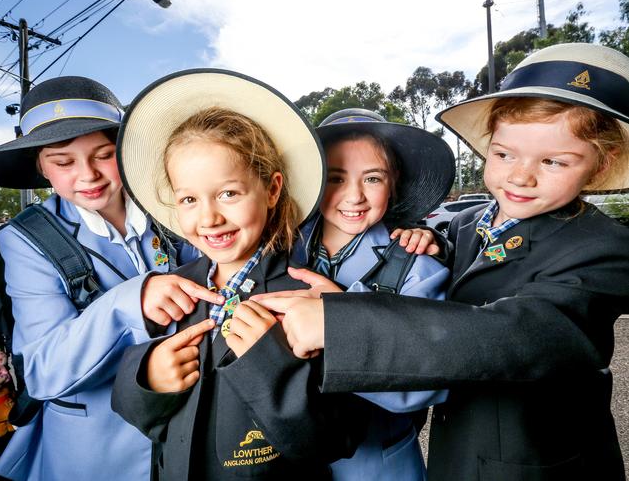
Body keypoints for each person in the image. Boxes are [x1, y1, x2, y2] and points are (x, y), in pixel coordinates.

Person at [254, 43, 629, 481]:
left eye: (553, 161)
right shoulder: (466, 224)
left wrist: (339, 323)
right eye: (505, 154)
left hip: (541, 467)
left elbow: (519, 333)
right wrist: (430, 236)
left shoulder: (606, 248)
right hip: (456, 456)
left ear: (603, 164)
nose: (521, 175)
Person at [111, 69, 366, 481]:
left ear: (271, 189)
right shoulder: (173, 290)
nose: (209, 217)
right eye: (189, 199)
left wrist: (271, 367)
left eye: (228, 193)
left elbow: (339, 438)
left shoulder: (307, 298)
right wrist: (148, 376)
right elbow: (146, 421)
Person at [0, 76, 220, 481]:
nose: (87, 175)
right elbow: (42, 371)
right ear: (41, 166)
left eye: (103, 154)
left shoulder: (176, 207)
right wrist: (131, 303)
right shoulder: (25, 239)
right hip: (96, 450)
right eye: (63, 162)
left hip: (193, 431)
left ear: (126, 153)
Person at [291, 108, 453, 481]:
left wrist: (340, 317)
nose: (354, 196)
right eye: (335, 178)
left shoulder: (418, 267)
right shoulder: (278, 250)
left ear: (394, 183)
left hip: (377, 462)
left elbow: (424, 383)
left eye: (373, 178)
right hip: (289, 460)